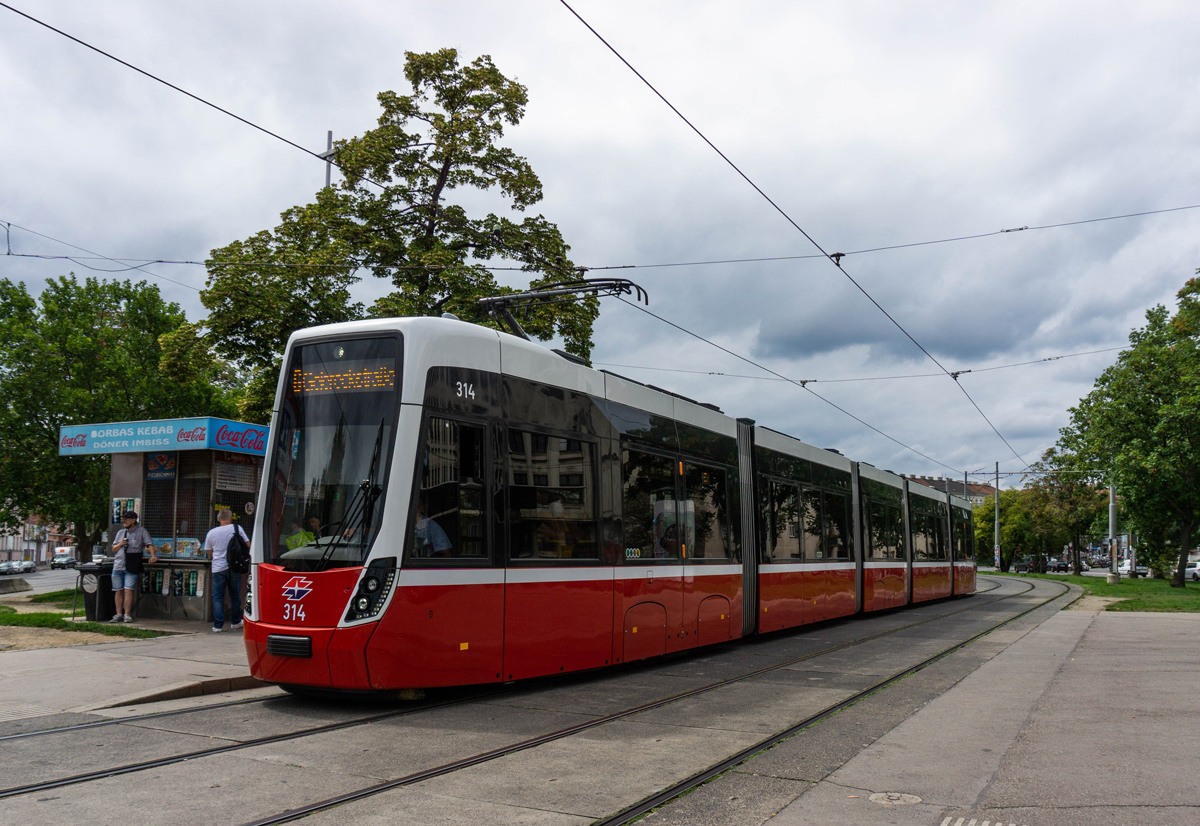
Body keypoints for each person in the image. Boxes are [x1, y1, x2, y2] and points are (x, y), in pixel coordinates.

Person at [203, 508, 248, 633]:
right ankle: (235, 621)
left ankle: (218, 625)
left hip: (218, 568)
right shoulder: (237, 528)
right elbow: (247, 544)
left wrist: (218, 556)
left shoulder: (212, 533)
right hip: (234, 566)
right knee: (235, 595)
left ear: (218, 519)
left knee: (218, 596)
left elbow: (208, 551)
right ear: (231, 518)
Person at [110, 510, 157, 623]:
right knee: (118, 590)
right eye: (124, 519)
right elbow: (113, 549)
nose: (124, 521)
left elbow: (149, 544)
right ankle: (118, 614)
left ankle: (127, 614)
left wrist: (153, 556)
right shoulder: (121, 532)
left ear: (134, 520)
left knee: (128, 589)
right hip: (119, 564)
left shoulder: (141, 531)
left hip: (132, 563)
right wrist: (120, 544)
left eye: (127, 519)